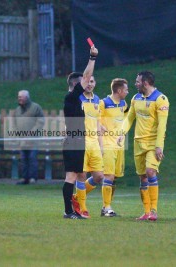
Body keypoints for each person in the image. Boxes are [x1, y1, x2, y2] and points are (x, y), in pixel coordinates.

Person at [122, 71, 169, 221]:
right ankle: (147, 211)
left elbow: (162, 126)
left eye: (137, 82)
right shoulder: (136, 98)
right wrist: (120, 133)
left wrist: (159, 146)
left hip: (153, 143)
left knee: (150, 172)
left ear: (146, 83)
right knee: (142, 177)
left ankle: (154, 210)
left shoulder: (161, 100)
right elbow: (129, 119)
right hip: (138, 143)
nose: (135, 84)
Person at [62, 45, 98, 219]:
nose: (87, 82)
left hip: (77, 141)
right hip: (74, 141)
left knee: (76, 176)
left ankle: (72, 210)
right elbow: (87, 76)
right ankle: (68, 211)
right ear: (76, 85)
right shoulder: (71, 97)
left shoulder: (74, 99)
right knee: (71, 176)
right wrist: (92, 57)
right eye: (83, 82)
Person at [71, 75, 105, 219]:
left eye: (92, 81)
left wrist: (101, 145)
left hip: (94, 143)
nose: (89, 84)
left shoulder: (97, 100)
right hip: (81, 141)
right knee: (81, 174)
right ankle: (83, 209)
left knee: (98, 176)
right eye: (87, 82)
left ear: (95, 83)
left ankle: (77, 197)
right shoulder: (77, 99)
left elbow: (98, 124)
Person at [98, 78, 129, 217]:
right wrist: (100, 126)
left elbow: (128, 119)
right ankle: (107, 207)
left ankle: (107, 206)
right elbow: (93, 118)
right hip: (107, 145)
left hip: (119, 146)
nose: (128, 92)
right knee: (108, 176)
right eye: (126, 90)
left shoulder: (124, 104)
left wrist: (123, 133)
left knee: (114, 177)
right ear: (119, 90)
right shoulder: (104, 103)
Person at [12, 90, 45, 185]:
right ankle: (24, 178)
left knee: (32, 158)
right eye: (18, 97)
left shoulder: (36, 107)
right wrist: (17, 133)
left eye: (21, 97)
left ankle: (32, 178)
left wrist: (31, 133)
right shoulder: (17, 110)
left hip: (33, 139)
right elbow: (14, 123)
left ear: (26, 98)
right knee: (23, 159)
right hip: (22, 140)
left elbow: (40, 121)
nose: (19, 99)